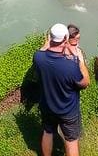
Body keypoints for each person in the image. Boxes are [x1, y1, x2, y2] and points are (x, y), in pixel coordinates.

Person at [33, 23, 90, 156]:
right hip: (68, 110)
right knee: (71, 140)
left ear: (49, 38)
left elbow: (43, 50)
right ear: (66, 39)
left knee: (48, 132)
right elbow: (85, 83)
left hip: (47, 106)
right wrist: (80, 60)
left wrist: (48, 43)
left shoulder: (38, 57)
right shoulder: (71, 65)